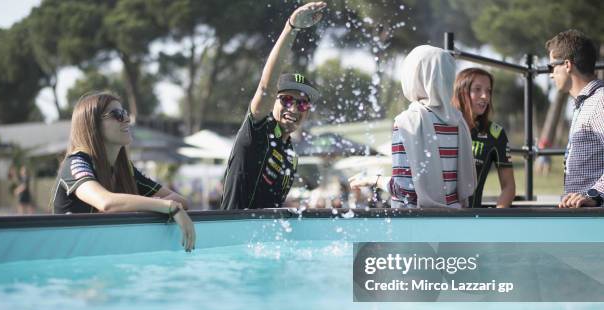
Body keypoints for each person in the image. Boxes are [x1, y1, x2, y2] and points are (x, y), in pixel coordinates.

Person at [51, 91, 195, 252]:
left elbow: (180, 200)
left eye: (125, 113)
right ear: (93, 124)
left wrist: (164, 206)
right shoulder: (76, 163)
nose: (127, 119)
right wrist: (169, 207)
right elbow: (106, 202)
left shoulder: (125, 169)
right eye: (117, 114)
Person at [221, 2, 326, 210]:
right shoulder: (259, 131)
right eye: (287, 100)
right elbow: (265, 88)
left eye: (302, 104)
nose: (294, 109)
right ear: (273, 102)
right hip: (233, 237)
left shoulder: (291, 155)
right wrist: (291, 28)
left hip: (264, 242)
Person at [350, 45, 476, 208]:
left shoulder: (407, 122)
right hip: (453, 218)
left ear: (413, 76)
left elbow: (404, 189)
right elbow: (465, 186)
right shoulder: (459, 122)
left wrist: (373, 180)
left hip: (416, 222)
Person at [546, 30, 604, 208]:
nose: (550, 74)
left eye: (551, 67)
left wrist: (594, 195)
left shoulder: (600, 102)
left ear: (567, 65)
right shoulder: (585, 104)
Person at [452, 68, 516, 208]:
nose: (485, 96)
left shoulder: (496, 134)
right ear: (462, 92)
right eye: (478, 89)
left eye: (488, 91)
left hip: (472, 221)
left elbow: (508, 187)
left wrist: (496, 219)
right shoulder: (443, 125)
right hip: (439, 217)